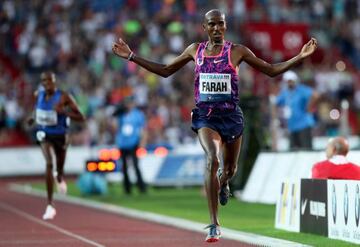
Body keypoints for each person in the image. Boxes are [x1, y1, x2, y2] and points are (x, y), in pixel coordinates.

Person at [112, 9, 317, 242]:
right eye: (212, 24)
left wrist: (300, 57)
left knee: (229, 170)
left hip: (231, 117)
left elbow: (270, 70)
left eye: (221, 24)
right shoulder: (194, 50)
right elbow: (166, 71)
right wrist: (131, 57)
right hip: (205, 117)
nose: (217, 28)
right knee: (212, 158)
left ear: (225, 26)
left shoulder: (238, 51)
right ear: (205, 27)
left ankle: (224, 183)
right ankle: (214, 223)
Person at [27, 71, 85, 220]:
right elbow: (38, 110)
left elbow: (80, 117)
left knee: (58, 168)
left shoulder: (64, 96)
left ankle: (59, 177)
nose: (46, 84)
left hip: (61, 136)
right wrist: (33, 118)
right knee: (48, 163)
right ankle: (50, 205)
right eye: (43, 81)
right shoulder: (38, 94)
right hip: (45, 134)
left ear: (54, 82)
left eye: (49, 81)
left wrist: (64, 112)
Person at [273, 70, 319, 150]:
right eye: (288, 81)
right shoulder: (285, 93)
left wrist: (309, 107)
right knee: (293, 151)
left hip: (303, 124)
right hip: (292, 126)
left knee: (306, 150)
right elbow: (276, 103)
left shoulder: (301, 90)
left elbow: (315, 95)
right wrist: (278, 116)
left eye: (291, 81)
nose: (289, 83)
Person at [113, 95, 147, 194]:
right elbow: (115, 128)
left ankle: (141, 187)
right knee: (124, 167)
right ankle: (127, 189)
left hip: (133, 142)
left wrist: (142, 142)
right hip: (123, 143)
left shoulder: (138, 114)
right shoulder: (121, 115)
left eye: (129, 103)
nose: (128, 105)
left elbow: (143, 129)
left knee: (136, 166)